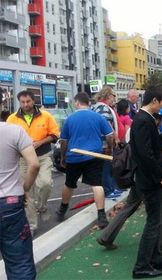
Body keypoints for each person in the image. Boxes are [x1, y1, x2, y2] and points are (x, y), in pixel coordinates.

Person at [98, 113, 162, 259]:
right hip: (145, 178)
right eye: (160, 120)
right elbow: (148, 155)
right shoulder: (144, 127)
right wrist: (161, 176)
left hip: (138, 177)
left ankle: (106, 236)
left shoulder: (143, 127)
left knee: (129, 206)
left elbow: (155, 144)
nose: (161, 123)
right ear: (156, 119)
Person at [129, 87, 162, 278]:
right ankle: (141, 266)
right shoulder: (142, 120)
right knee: (153, 223)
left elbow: (153, 143)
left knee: (156, 221)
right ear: (155, 101)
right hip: (149, 180)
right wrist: (161, 176)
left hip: (150, 178)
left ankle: (156, 260)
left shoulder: (145, 119)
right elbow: (145, 154)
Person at [56, 92, 113, 229]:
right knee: (97, 184)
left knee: (69, 184)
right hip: (94, 155)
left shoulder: (70, 119)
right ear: (88, 102)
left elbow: (64, 141)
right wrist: (109, 149)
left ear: (77, 103)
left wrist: (63, 157)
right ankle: (101, 216)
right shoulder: (98, 117)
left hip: (74, 157)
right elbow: (110, 135)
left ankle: (62, 210)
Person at [7, 90, 60, 235]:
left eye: (28, 101)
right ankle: (31, 225)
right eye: (22, 102)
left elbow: (55, 134)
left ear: (33, 101)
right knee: (26, 191)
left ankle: (42, 206)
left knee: (45, 184)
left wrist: (40, 142)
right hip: (23, 160)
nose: (25, 105)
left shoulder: (46, 116)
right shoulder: (12, 119)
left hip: (43, 156)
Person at [0, 122, 40, 280]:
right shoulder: (14, 131)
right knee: (20, 263)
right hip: (9, 201)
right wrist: (25, 188)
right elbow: (35, 164)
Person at [92, 86, 122, 199]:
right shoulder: (103, 109)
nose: (114, 99)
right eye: (114, 96)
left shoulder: (98, 107)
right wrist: (113, 140)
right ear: (109, 96)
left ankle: (110, 188)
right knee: (106, 168)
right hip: (104, 144)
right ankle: (108, 190)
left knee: (107, 167)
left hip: (102, 143)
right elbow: (107, 126)